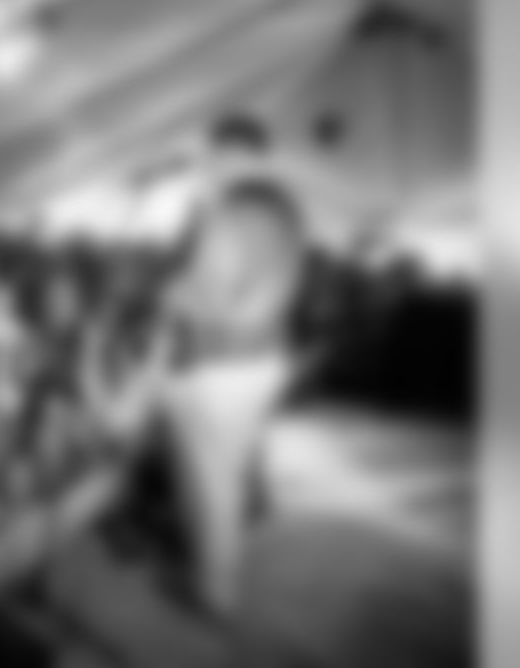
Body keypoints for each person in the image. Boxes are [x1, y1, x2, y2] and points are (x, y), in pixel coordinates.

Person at [27, 175, 316, 667]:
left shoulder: (206, 401)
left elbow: (222, 606)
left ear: (257, 287)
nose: (174, 285)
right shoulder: (253, 372)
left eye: (197, 265)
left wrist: (83, 593)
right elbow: (125, 418)